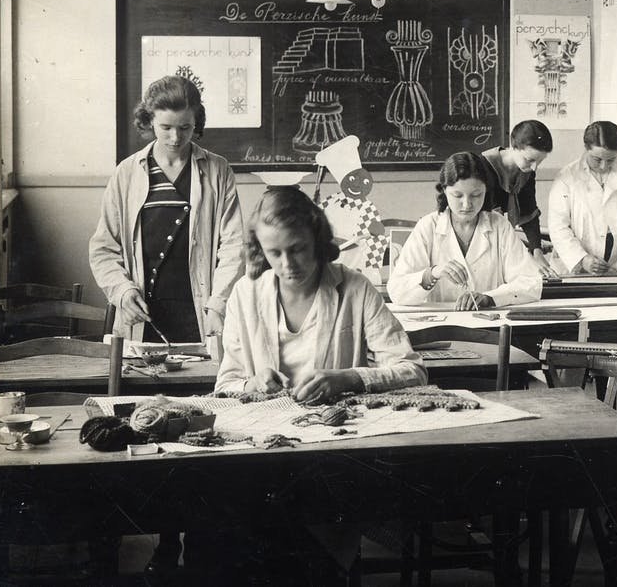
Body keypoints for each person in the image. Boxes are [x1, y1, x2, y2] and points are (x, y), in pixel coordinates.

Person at [212, 186, 427, 399]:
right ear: (260, 249)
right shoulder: (244, 293)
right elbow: (225, 386)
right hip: (266, 424)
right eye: (274, 253)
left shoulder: (356, 288)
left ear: (316, 239)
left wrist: (347, 379)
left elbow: (413, 371)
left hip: (342, 426)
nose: (288, 264)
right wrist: (253, 384)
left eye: (298, 249)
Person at [89, 75, 244, 344]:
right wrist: (123, 291)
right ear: (149, 121)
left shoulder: (218, 170)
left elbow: (233, 245)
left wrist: (218, 303)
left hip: (200, 309)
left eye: (185, 127)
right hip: (142, 312)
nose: (176, 138)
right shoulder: (126, 173)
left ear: (197, 122)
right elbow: (104, 247)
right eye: (166, 127)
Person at [387, 151, 542, 309]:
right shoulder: (428, 226)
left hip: (488, 323)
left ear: (486, 191)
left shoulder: (499, 225)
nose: (467, 204)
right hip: (441, 327)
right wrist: (432, 274)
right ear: (445, 190)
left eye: (476, 195)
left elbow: (531, 283)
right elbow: (397, 291)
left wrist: (490, 298)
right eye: (457, 195)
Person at [547, 121, 617, 276]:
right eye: (597, 159)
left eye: (610, 160)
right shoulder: (567, 177)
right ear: (586, 148)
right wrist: (582, 259)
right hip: (577, 268)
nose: (604, 166)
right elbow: (558, 226)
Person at [479, 119, 558, 277]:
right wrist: (525, 256)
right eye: (530, 160)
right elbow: (494, 224)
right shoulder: (482, 166)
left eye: (540, 161)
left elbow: (529, 212)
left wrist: (537, 252)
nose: (535, 167)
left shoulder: (526, 171)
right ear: (513, 147)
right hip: (482, 242)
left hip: (502, 242)